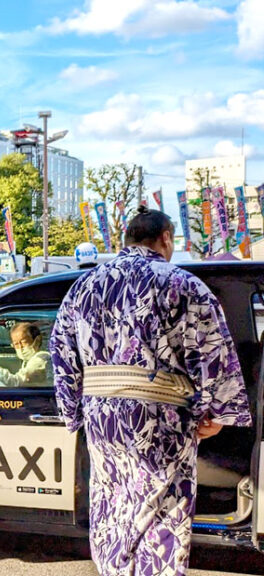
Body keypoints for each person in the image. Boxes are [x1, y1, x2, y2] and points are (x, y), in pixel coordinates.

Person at [50, 206, 251, 575]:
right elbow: (212, 350)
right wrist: (217, 413)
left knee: (112, 502)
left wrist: (71, 412)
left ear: (127, 239)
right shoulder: (181, 283)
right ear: (166, 239)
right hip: (160, 419)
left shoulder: (83, 287)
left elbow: (61, 353)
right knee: (161, 511)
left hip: (103, 420)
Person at [0, 323, 50, 387]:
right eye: (16, 344)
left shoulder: (40, 359)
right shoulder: (28, 360)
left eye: (24, 342)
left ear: (36, 340)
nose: (20, 347)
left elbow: (15, 382)